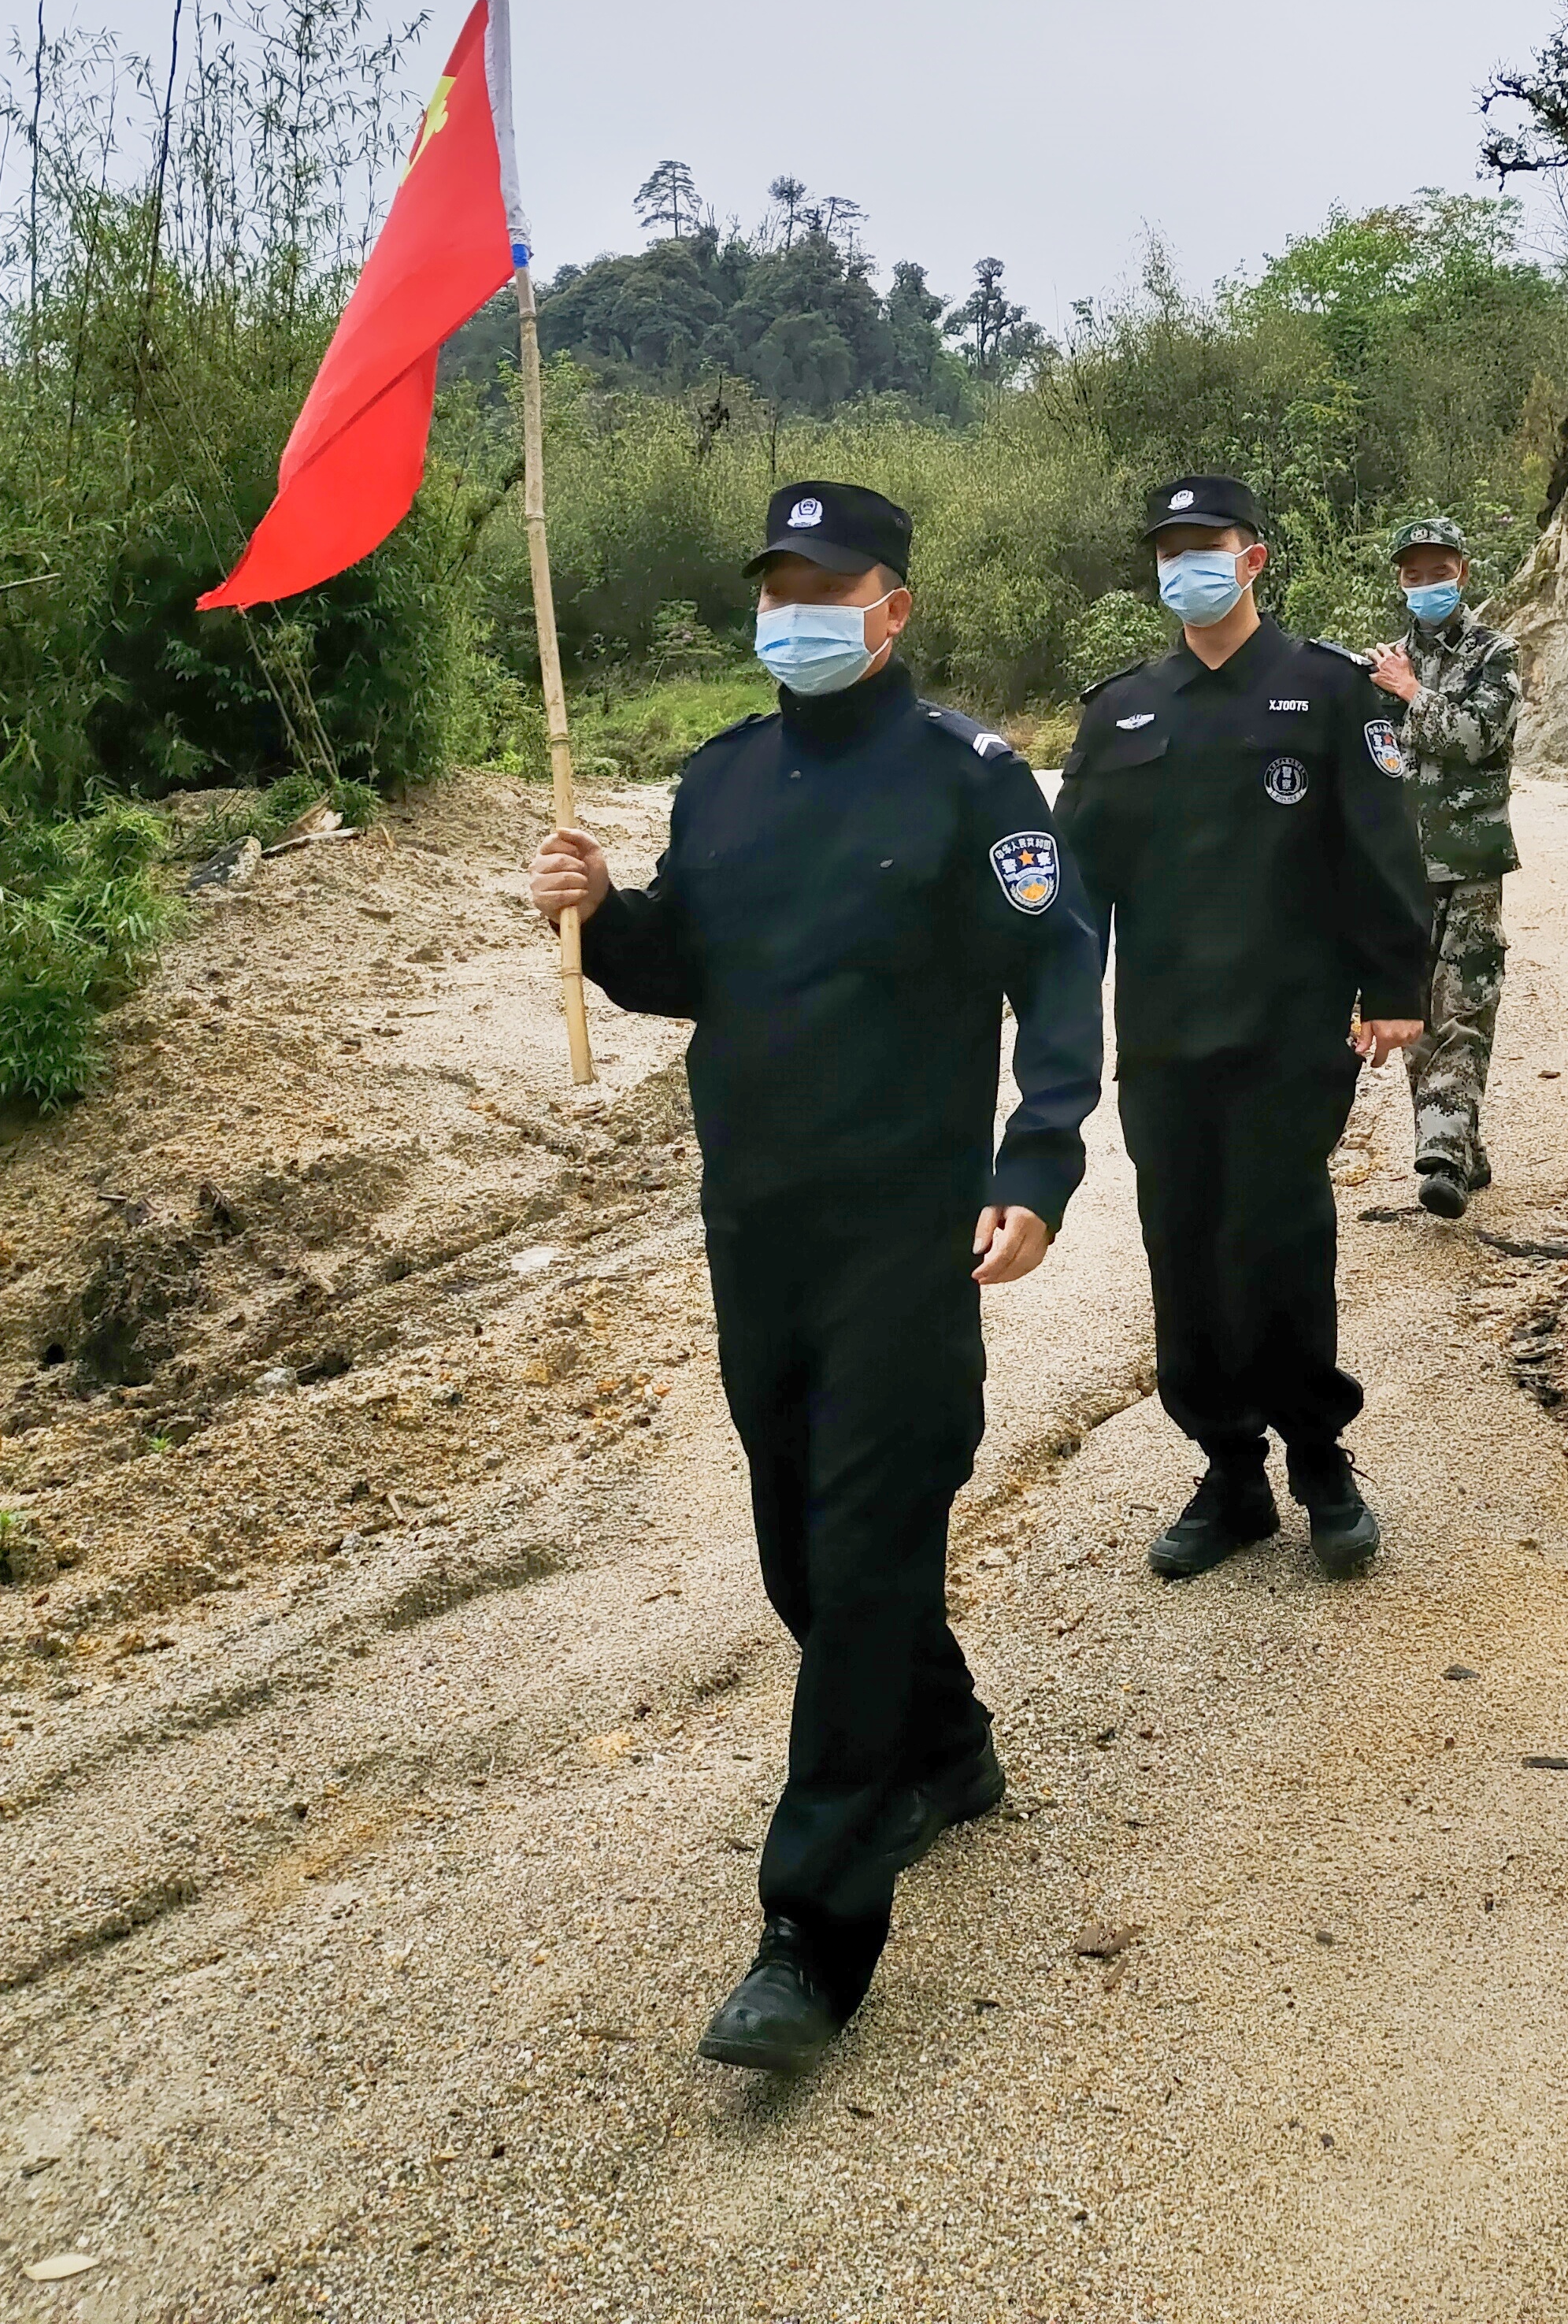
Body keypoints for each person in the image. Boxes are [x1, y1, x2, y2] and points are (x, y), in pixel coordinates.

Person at [526, 480, 1101, 2074]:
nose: (794, 612)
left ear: (890, 608)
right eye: (777, 585)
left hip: (907, 1234)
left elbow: (1057, 966)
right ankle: (949, 1744)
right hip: (756, 1228)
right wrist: (601, 916)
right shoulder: (720, 779)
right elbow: (689, 969)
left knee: (858, 1556)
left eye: (826, 587)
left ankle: (812, 1935)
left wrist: (1038, 1160)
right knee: (802, 1554)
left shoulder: (971, 777)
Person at [1055, 473, 1433, 1584]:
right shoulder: (1121, 710)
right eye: (1169, 549)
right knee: (1182, 1250)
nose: (1187, 565)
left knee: (1276, 1240)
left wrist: (1395, 986)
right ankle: (1230, 1475)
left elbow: (1380, 845)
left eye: (1206, 544)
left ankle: (1319, 1459)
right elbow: (1072, 886)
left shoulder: (1330, 690)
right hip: (1163, 1038)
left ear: (1253, 558)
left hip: (1288, 1029)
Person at [1366, 514, 1522, 1221]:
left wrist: (1410, 693)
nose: (1426, 583)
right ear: (1400, 581)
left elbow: (1479, 736)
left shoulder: (1495, 654)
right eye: (1414, 574)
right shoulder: (1386, 662)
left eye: (1439, 571)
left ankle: (1440, 1155)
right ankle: (1462, 1144)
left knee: (1465, 1007)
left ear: (1463, 572)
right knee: (1416, 1017)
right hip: (1403, 869)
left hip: (1470, 860)